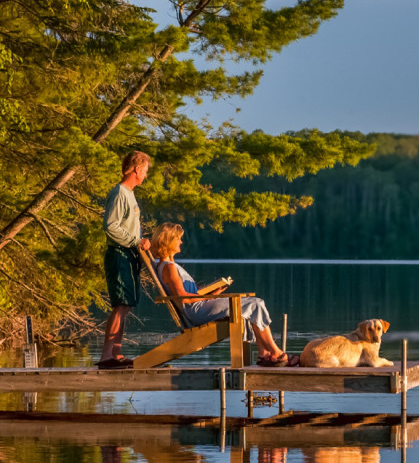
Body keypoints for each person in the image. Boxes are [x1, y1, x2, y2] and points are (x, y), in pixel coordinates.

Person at [150, 222, 299, 367]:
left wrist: (212, 292)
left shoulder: (170, 266)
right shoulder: (169, 268)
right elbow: (183, 297)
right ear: (168, 241)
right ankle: (275, 352)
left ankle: (264, 354)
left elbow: (186, 294)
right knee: (255, 303)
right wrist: (213, 297)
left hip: (198, 306)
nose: (181, 242)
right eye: (178, 238)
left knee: (249, 307)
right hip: (196, 311)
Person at [99, 151, 151, 369]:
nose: (146, 175)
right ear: (137, 169)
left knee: (125, 305)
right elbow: (110, 226)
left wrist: (137, 243)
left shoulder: (129, 194)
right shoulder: (120, 192)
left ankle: (117, 355)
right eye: (145, 170)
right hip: (119, 255)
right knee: (120, 305)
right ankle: (106, 357)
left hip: (128, 255)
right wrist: (136, 242)